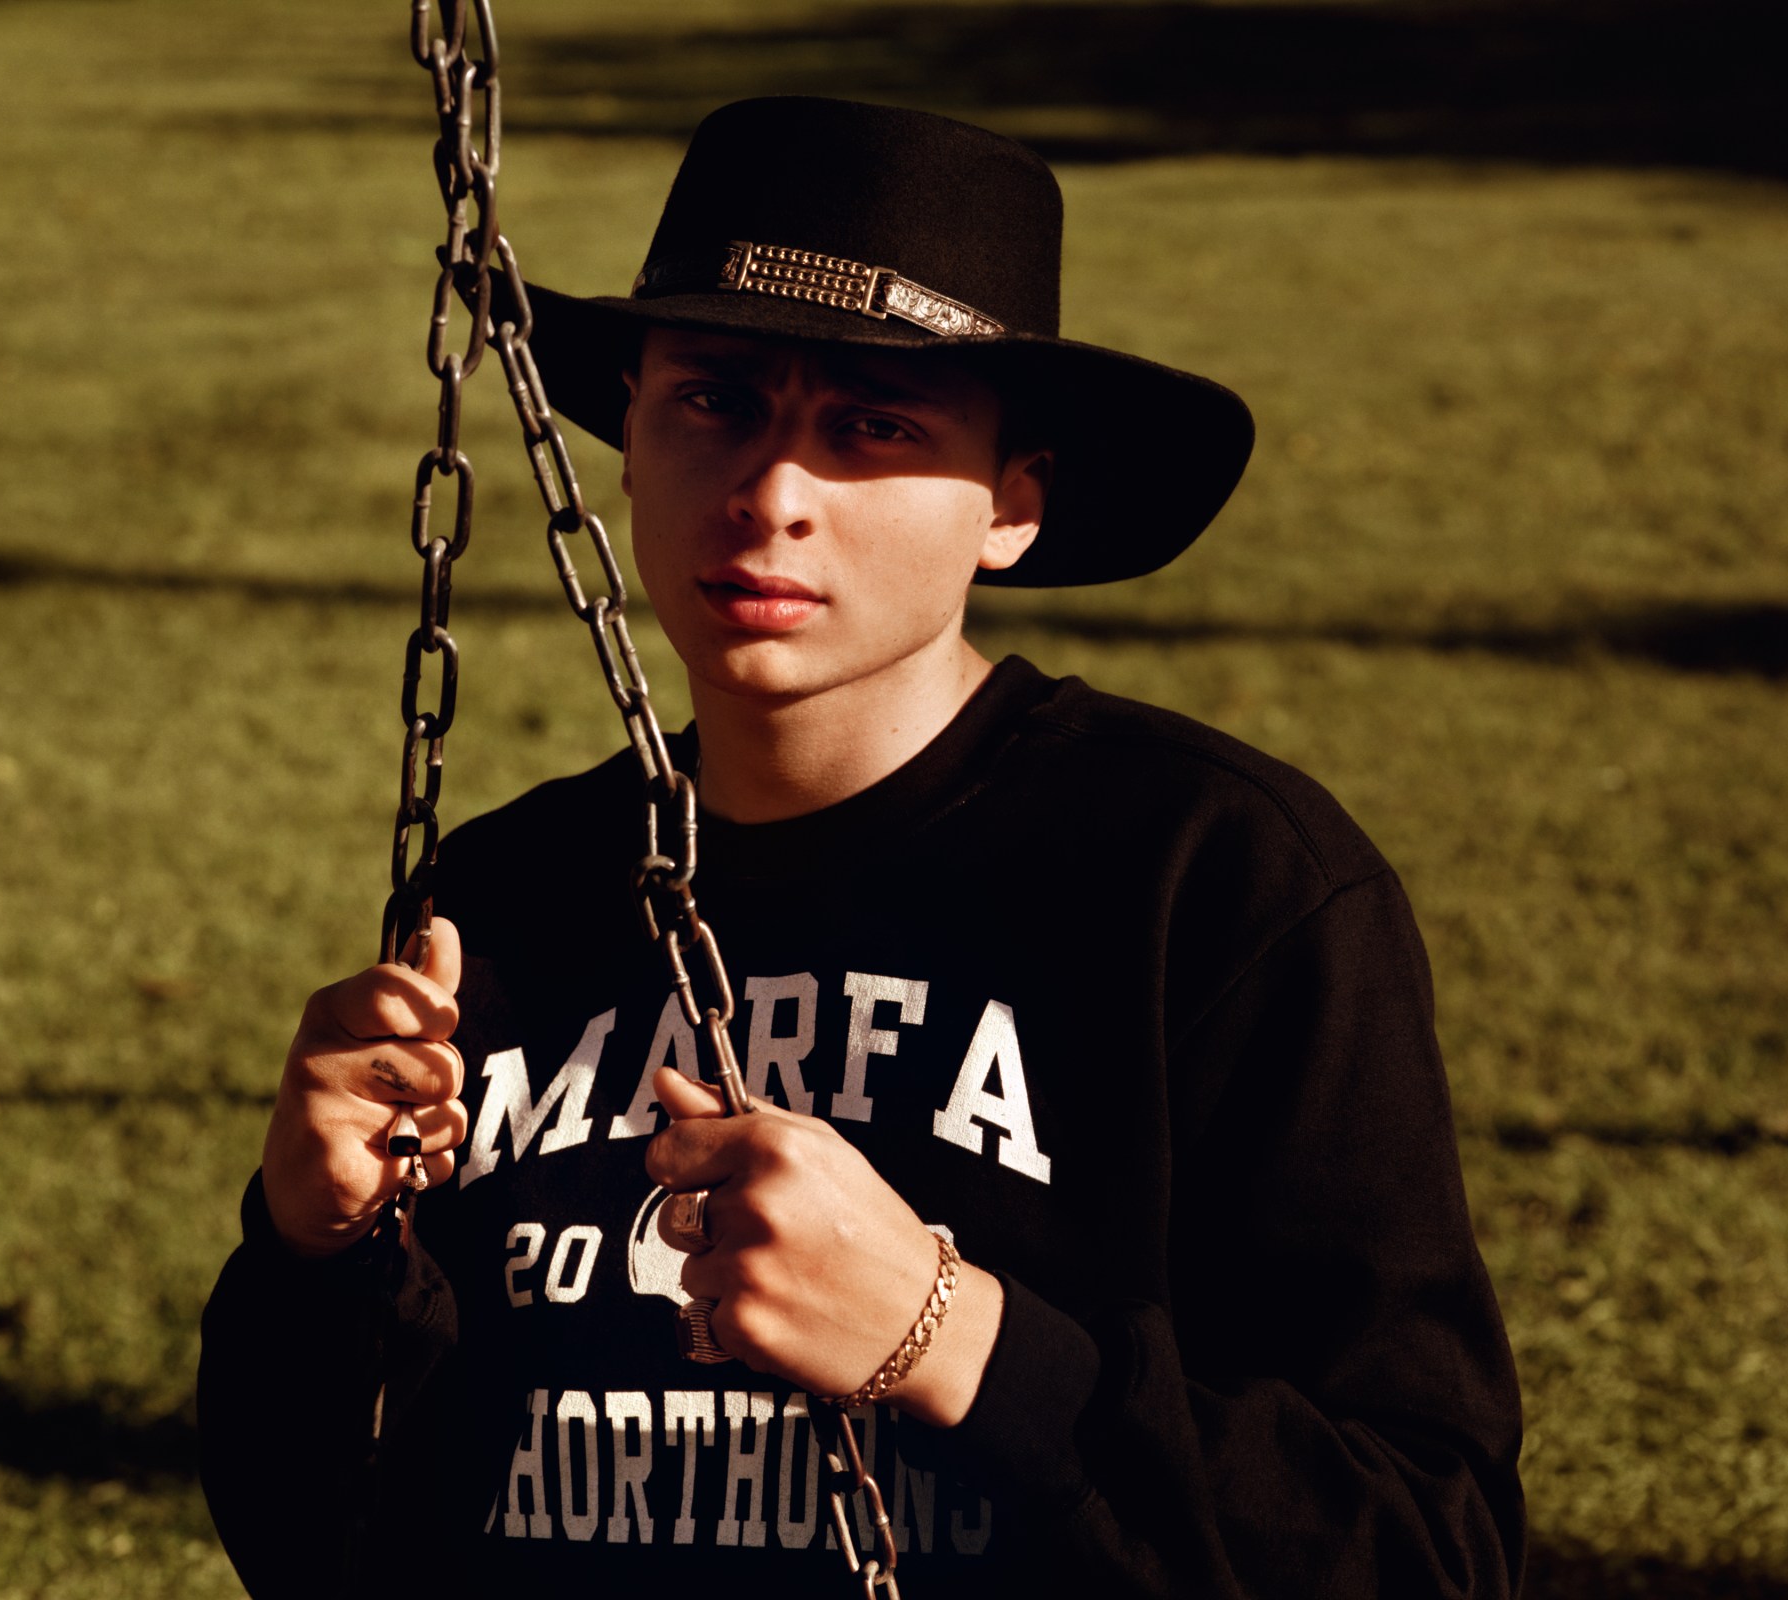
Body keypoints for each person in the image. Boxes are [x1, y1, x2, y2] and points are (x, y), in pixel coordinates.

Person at [199, 96, 1525, 1597]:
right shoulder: (505, 901)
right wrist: (311, 1253)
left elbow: (1424, 1549)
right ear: (627, 437)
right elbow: (323, 1550)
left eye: (874, 426)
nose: (773, 497)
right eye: (714, 400)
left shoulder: (1213, 884)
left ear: (1012, 503)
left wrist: (948, 1334)